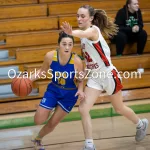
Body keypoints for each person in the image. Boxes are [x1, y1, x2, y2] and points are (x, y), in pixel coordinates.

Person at [61, 5, 149, 150]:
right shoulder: (83, 38)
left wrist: (71, 32)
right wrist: (86, 73)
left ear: (91, 18)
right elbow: (90, 61)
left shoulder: (93, 31)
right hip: (95, 78)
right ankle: (89, 144)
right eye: (77, 16)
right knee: (83, 108)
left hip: (108, 75)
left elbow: (84, 34)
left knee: (119, 108)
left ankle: (141, 123)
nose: (79, 18)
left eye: (82, 16)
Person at [30, 31, 85, 150]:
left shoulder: (77, 61)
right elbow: (42, 72)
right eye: (64, 44)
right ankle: (47, 108)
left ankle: (38, 139)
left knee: (53, 123)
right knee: (38, 120)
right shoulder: (50, 56)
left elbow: (81, 79)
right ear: (58, 44)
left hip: (69, 95)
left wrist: (80, 90)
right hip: (54, 90)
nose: (67, 47)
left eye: (70, 44)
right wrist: (28, 80)